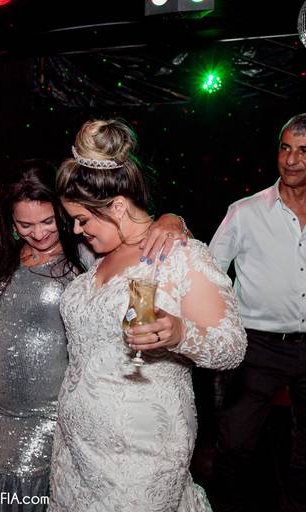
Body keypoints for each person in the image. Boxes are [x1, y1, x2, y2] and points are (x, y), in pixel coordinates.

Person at [48, 119, 247, 511]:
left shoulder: (178, 256)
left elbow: (232, 346)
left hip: (139, 459)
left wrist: (179, 333)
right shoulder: (96, 254)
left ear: (118, 206)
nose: (76, 229)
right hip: (73, 454)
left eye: (83, 219)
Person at [0, 161, 87, 510]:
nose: (39, 233)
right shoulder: (0, 250)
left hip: (42, 423)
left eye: (48, 221)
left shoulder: (85, 255)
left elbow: (135, 239)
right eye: (25, 224)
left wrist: (172, 221)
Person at [210, 113, 306, 512]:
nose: (291, 160)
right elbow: (210, 273)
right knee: (236, 443)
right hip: (256, 346)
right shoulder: (245, 211)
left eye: (303, 151)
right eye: (285, 148)